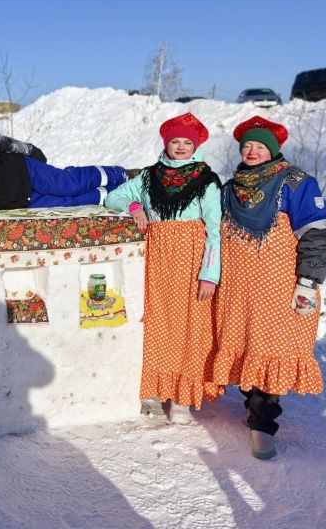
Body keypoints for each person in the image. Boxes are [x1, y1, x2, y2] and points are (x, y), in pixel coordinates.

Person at [213, 115, 326, 460]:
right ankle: (253, 409)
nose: (252, 151)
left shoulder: (295, 183)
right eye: (247, 146)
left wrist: (308, 281)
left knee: (271, 352)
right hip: (238, 291)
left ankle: (263, 423)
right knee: (245, 348)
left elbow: (320, 233)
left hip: (278, 290)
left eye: (260, 146)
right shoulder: (230, 188)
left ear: (273, 150)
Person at [105, 113, 221, 423]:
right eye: (175, 142)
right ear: (166, 144)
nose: (181, 147)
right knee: (156, 322)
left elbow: (214, 230)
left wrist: (209, 274)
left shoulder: (206, 180)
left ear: (195, 147)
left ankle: (182, 397)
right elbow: (113, 197)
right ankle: (154, 390)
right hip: (157, 259)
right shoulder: (148, 176)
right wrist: (134, 206)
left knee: (188, 325)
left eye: (187, 143)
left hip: (192, 258)